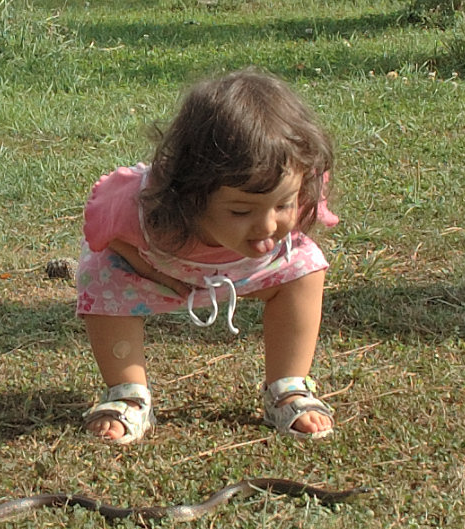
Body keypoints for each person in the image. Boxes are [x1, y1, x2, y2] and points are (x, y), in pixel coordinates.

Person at [76, 67, 339, 444]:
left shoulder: (300, 192)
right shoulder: (146, 205)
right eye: (240, 211)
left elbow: (294, 230)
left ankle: (289, 388)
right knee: (102, 275)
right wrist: (150, 272)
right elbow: (107, 236)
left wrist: (279, 214)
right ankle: (127, 394)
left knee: (305, 268)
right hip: (160, 272)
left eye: (282, 204)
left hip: (254, 272)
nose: (267, 225)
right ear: (190, 193)